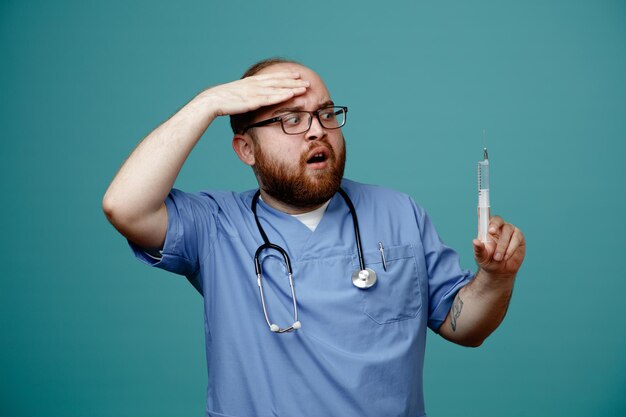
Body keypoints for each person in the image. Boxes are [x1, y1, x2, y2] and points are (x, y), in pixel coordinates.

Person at [102, 58, 526, 417]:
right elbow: (125, 206)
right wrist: (207, 103)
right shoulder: (215, 226)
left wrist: (495, 277)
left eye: (325, 114)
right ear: (246, 150)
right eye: (290, 119)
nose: (317, 130)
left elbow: (464, 326)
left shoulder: (399, 213)